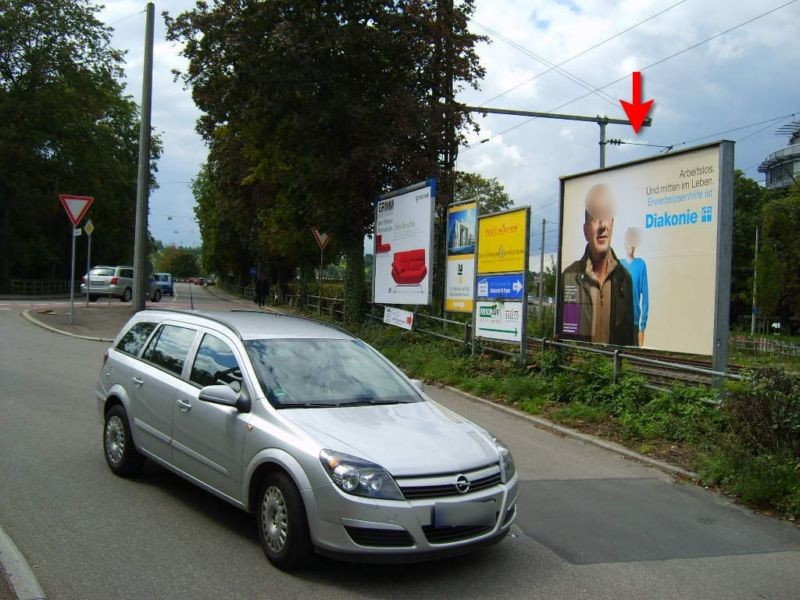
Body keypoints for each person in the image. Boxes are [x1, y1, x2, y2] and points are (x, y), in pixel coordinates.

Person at [561, 183, 636, 345]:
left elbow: (631, 339)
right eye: (595, 219)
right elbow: (565, 333)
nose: (602, 226)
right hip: (580, 364)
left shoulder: (625, 278)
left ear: (612, 224)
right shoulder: (569, 277)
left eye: (606, 216)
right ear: (586, 230)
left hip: (614, 367)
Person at [620, 227, 649, 347]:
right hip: (619, 323)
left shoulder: (640, 264)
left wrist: (642, 326)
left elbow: (645, 296)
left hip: (634, 323)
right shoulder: (618, 264)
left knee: (633, 359)